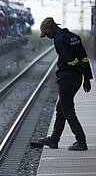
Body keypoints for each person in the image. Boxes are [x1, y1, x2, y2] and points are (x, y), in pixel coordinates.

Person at [35, 17, 93, 151]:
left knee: (67, 109)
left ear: (50, 28)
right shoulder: (74, 37)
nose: (47, 37)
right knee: (61, 108)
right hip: (77, 79)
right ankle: (54, 140)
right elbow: (84, 57)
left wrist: (77, 69)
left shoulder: (59, 39)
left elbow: (69, 60)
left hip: (67, 78)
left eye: (46, 33)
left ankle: (81, 141)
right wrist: (86, 77)